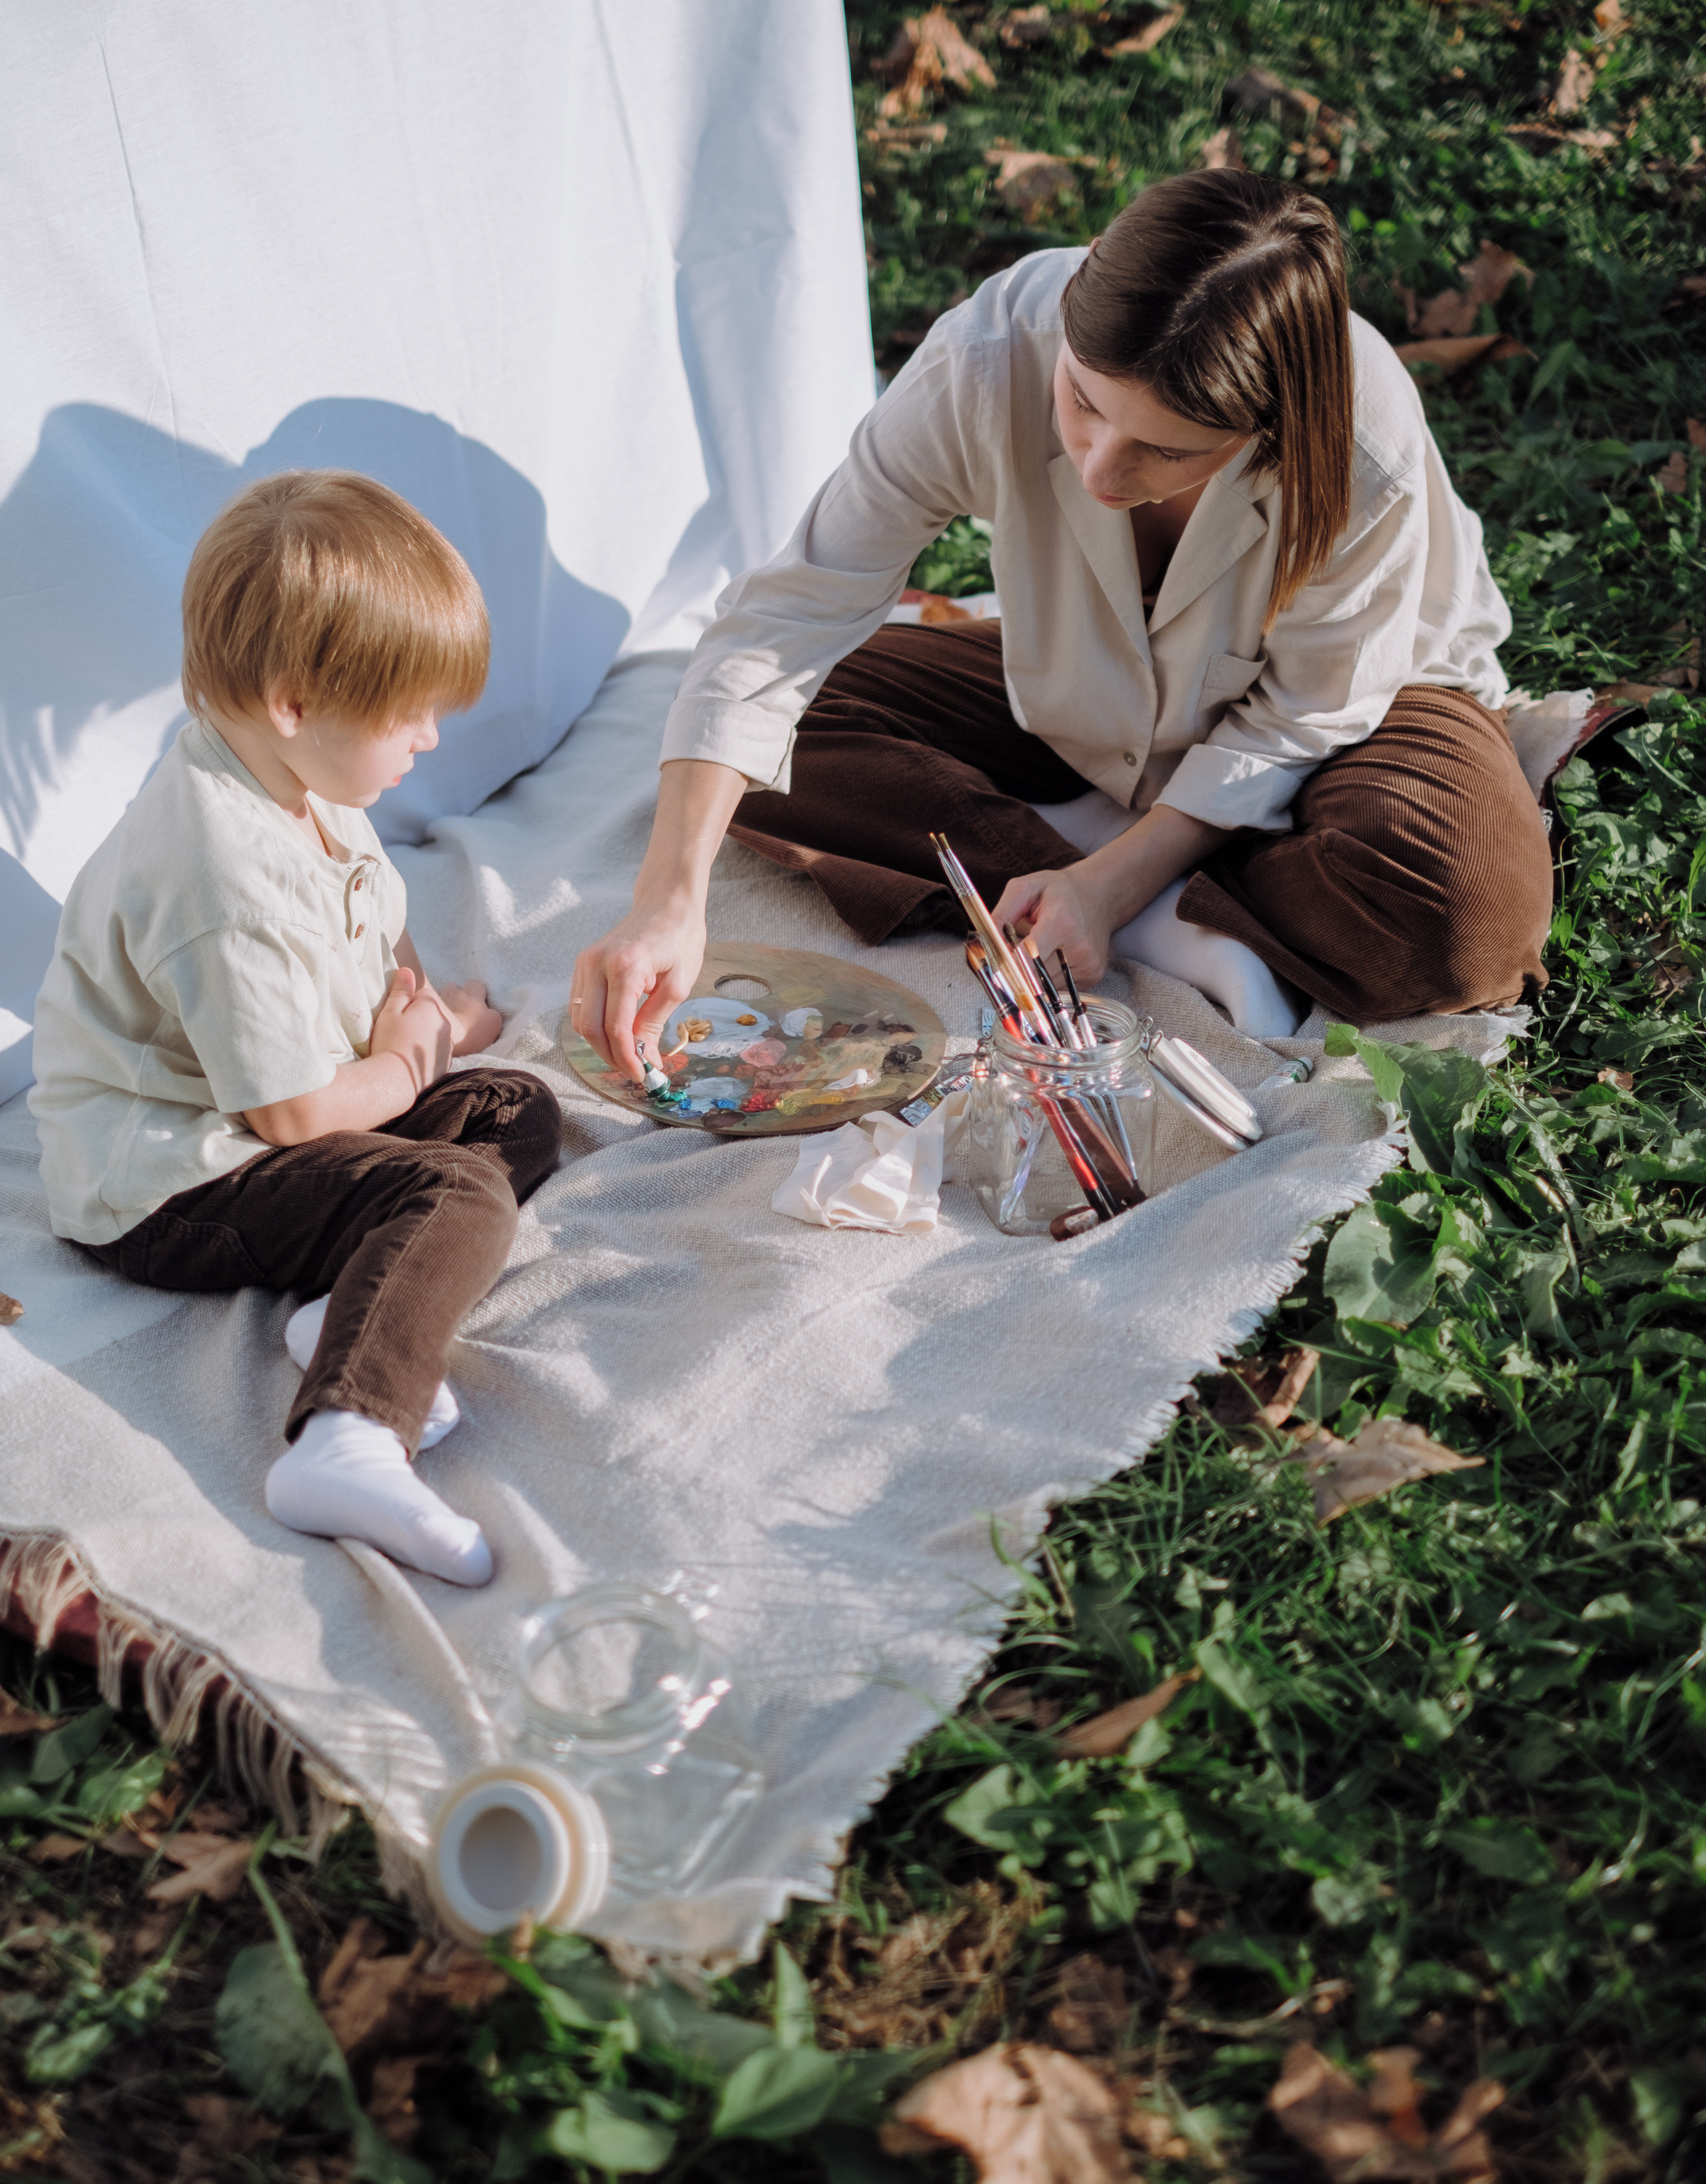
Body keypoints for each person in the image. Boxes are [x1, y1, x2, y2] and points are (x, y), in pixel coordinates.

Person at [571, 171, 1551, 1076]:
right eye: (1082, 402)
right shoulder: (988, 356)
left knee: (1467, 922)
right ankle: (1167, 912)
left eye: (1167, 451)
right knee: (755, 744)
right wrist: (669, 900)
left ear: (1267, 428)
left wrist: (1114, 881)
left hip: (1359, 712)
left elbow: (1307, 713)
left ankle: (1113, 875)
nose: (1099, 472)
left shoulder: (1357, 438)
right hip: (1086, 693)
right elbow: (791, 612)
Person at [31, 472, 563, 1588]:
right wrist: (407, 1059)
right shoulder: (218, 875)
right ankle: (349, 1437)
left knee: (515, 1108)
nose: (427, 736)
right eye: (408, 711)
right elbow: (292, 1116)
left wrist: (432, 1021)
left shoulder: (302, 776)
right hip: (172, 1178)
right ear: (294, 700)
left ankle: (344, 1309)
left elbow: (374, 924)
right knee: (454, 1193)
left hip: (297, 1099)